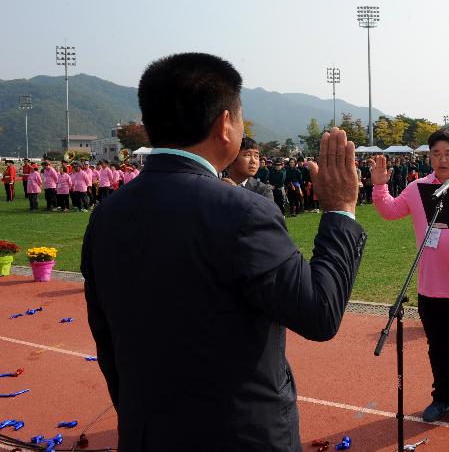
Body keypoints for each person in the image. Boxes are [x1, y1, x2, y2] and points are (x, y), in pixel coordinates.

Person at [81, 52, 366, 451]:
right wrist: (340, 212)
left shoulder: (106, 215)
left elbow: (106, 337)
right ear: (224, 125)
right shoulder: (244, 211)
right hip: (241, 435)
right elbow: (319, 312)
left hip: (147, 432)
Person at [371, 128, 449, 428]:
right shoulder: (418, 188)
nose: (442, 159)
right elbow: (389, 210)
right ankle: (441, 397)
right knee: (436, 347)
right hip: (430, 286)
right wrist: (380, 187)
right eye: (435, 153)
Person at [223, 137, 283, 229]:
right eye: (247, 155)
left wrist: (237, 193)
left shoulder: (263, 190)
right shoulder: (218, 187)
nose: (254, 161)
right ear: (232, 158)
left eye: (256, 156)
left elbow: (267, 222)